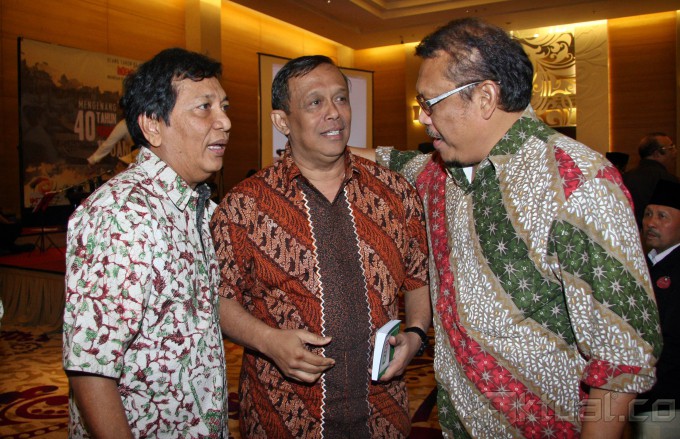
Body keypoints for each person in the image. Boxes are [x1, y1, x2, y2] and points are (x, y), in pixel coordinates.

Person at [354, 17, 661, 438]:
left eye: (430, 102)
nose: (422, 117)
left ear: (485, 97)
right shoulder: (441, 173)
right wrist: (315, 142)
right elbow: (385, 160)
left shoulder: (577, 183)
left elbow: (621, 359)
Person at [210, 55, 431, 438]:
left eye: (341, 98)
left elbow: (417, 280)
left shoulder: (395, 193)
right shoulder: (245, 206)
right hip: (283, 414)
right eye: (315, 102)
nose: (334, 113)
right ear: (282, 121)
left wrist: (415, 335)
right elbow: (219, 298)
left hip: (382, 412)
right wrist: (268, 341)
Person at [62, 47, 231, 438]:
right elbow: (91, 368)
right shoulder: (121, 215)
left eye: (224, 106)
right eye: (204, 107)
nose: (224, 121)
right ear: (153, 126)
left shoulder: (196, 206)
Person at [632, 178, 680, 438]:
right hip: (642, 393)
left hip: (668, 397)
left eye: (663, 216)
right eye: (648, 214)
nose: (651, 223)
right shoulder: (644, 263)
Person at [623, 132, 678, 228]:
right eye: (671, 148)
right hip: (654, 232)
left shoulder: (624, 178)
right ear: (657, 154)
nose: (675, 152)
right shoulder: (668, 180)